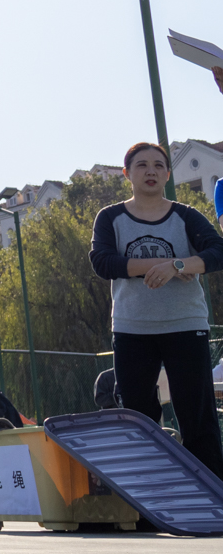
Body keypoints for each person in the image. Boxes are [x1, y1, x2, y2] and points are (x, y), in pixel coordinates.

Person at [89, 141, 223, 479]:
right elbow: (103, 262)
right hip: (133, 329)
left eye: (158, 165)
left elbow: (218, 251)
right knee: (138, 416)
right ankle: (147, 499)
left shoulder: (186, 215)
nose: (151, 171)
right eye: (142, 165)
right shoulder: (111, 217)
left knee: (197, 415)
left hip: (186, 325)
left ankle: (213, 497)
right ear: (127, 173)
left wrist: (177, 264)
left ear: (167, 173)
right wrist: (161, 264)